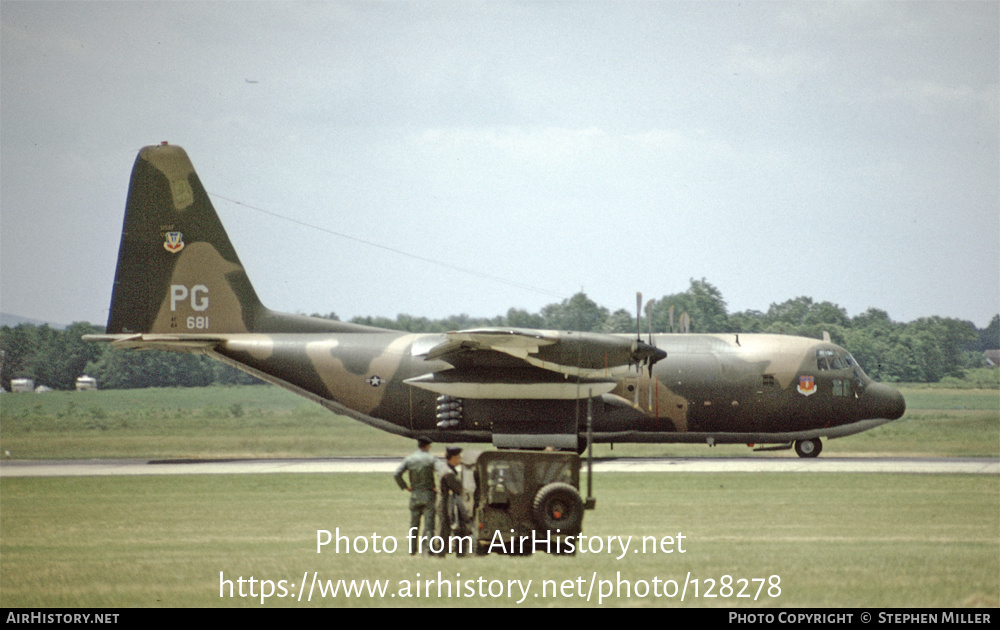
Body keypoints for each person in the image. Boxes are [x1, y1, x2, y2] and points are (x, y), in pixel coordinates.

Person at [393, 437, 437, 554]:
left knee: (414, 526)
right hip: (428, 495)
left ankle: (412, 549)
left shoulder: (409, 459)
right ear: (427, 446)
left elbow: (397, 474)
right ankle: (428, 549)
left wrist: (405, 486)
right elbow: (442, 471)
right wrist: (437, 488)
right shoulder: (431, 459)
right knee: (429, 526)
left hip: (415, 495)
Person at [437, 446, 472, 556]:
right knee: (445, 530)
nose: (460, 459)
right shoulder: (449, 473)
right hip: (447, 504)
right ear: (453, 458)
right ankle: (440, 554)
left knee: (448, 530)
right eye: (458, 457)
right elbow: (458, 489)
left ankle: (447, 553)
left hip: (448, 502)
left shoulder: (446, 468)